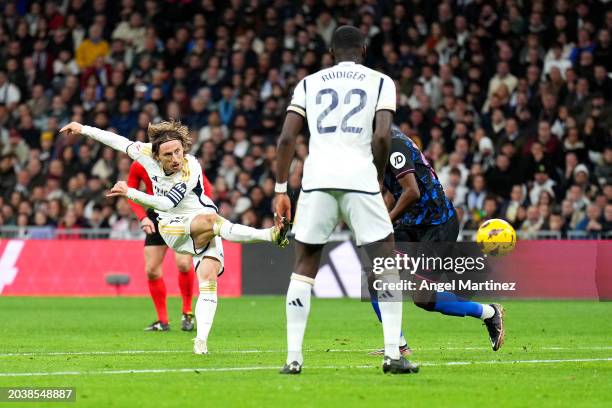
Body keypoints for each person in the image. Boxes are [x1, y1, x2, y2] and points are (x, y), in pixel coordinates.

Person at [60, 120, 290, 354]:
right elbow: (118, 142)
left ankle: (200, 342)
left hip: (200, 222)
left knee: (209, 280)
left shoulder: (191, 168)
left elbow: (166, 201)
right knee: (210, 224)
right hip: (172, 227)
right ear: (157, 156)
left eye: (178, 151)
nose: (175, 158)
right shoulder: (145, 153)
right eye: (168, 154)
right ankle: (271, 235)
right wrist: (83, 129)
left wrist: (130, 192)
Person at [274, 26, 418, 374]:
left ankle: (293, 359)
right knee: (385, 264)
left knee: (305, 264)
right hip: (360, 178)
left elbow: (286, 139)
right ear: (364, 50)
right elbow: (382, 135)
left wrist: (281, 190)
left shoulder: (309, 83)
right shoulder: (381, 82)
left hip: (317, 180)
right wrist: (378, 175)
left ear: (330, 53)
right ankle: (393, 356)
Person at [368, 125, 505, 356]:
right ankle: (398, 345)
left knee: (422, 298)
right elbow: (393, 189)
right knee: (377, 279)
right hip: (412, 223)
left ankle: (489, 313)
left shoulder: (395, 145)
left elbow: (412, 192)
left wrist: (387, 221)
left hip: (437, 225)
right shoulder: (380, 146)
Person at [127, 160, 213, 332]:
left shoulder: (182, 162)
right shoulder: (139, 164)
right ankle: (162, 321)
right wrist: (143, 217)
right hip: (155, 215)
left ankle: (187, 312)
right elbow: (131, 192)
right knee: (151, 270)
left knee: (183, 264)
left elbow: (206, 187)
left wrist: (200, 212)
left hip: (182, 214)